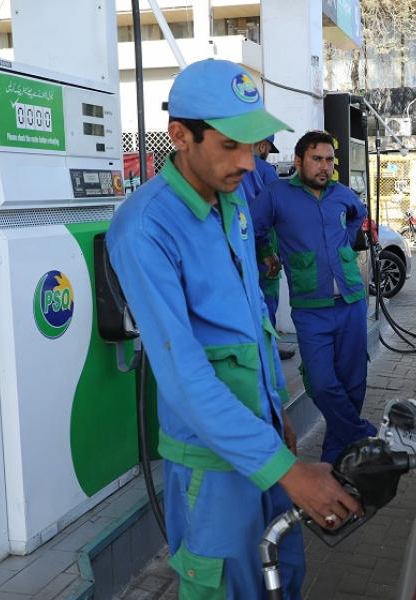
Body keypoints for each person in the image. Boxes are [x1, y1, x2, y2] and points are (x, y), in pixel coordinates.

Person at [106, 60, 360, 600]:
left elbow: (253, 321)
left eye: (253, 144)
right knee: (229, 587)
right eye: (230, 145)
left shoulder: (233, 198)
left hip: (263, 438)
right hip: (211, 466)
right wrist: (288, 471)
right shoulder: (145, 227)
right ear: (180, 136)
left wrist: (278, 411)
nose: (248, 161)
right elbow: (184, 376)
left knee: (282, 575)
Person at [251, 130, 377, 464]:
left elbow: (359, 213)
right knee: (321, 383)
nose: (324, 167)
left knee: (354, 383)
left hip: (351, 301)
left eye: (329, 160)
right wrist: (266, 253)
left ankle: (335, 458)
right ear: (298, 161)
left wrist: (346, 243)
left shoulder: (341, 193)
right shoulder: (276, 194)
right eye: (317, 159)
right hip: (310, 307)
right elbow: (253, 227)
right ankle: (361, 434)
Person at [241, 135, 295, 360]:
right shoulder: (264, 170)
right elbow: (276, 210)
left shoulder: (230, 168)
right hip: (264, 249)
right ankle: (269, 351)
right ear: (263, 145)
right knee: (267, 302)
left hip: (240, 248)